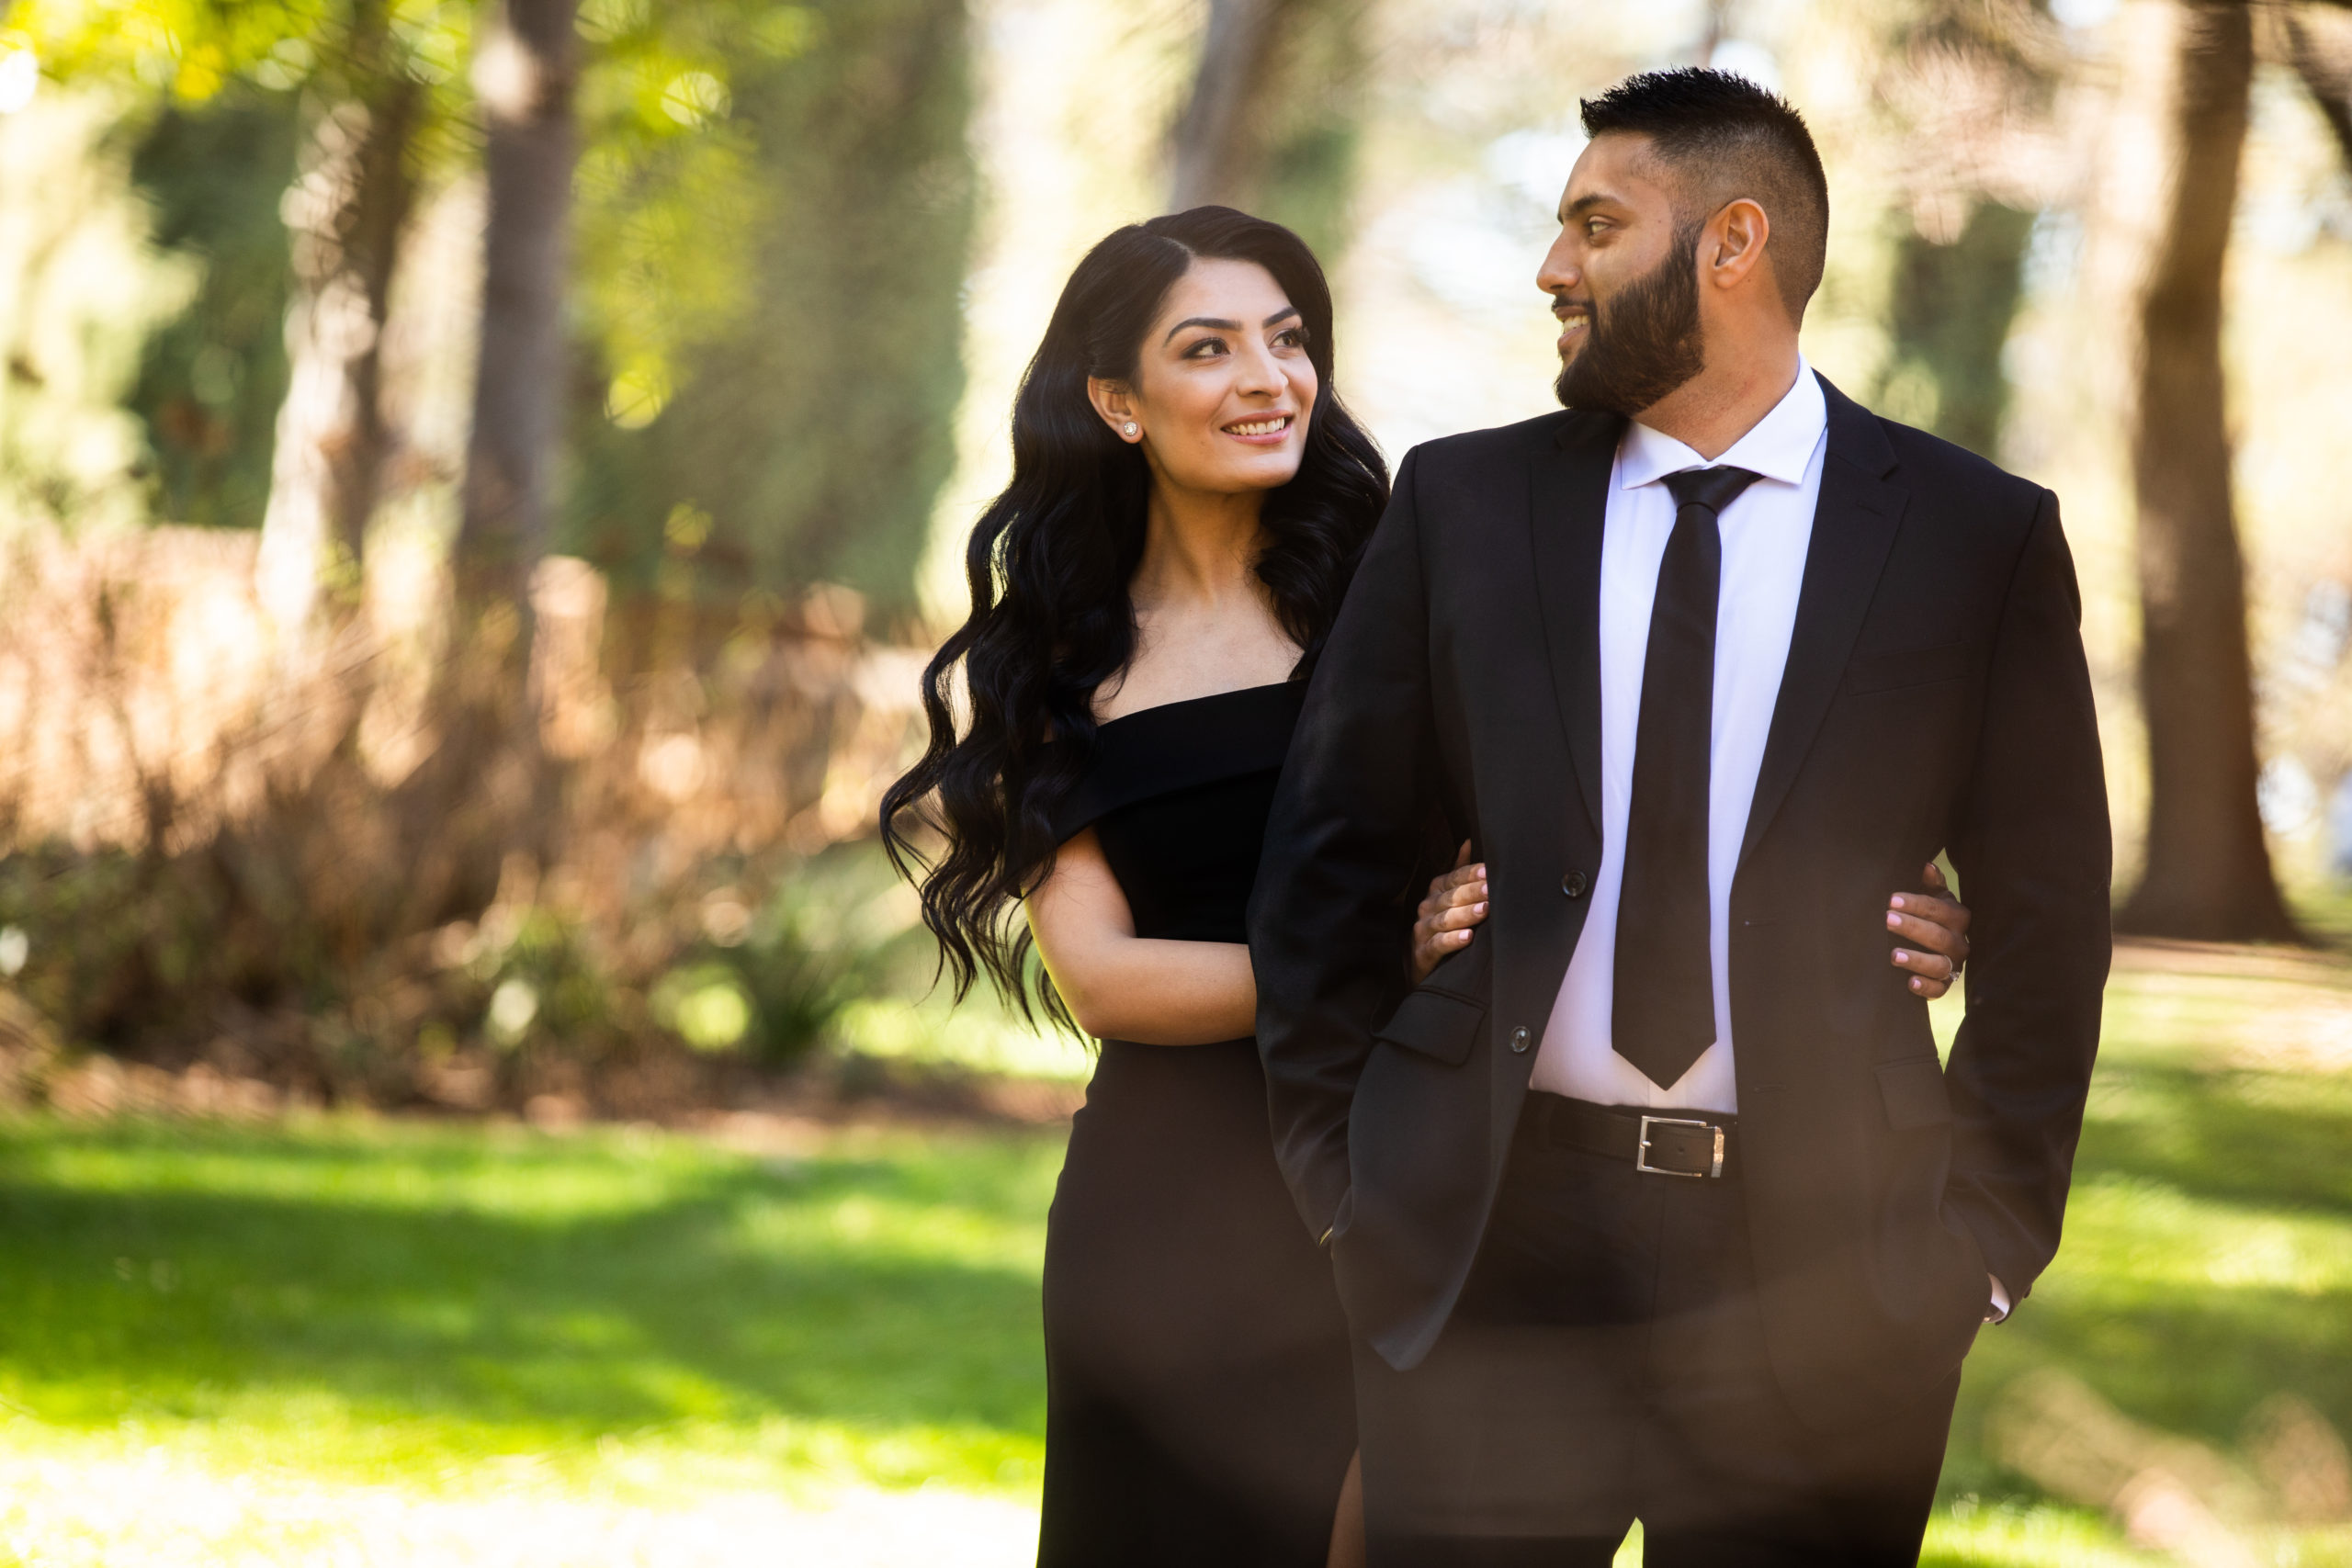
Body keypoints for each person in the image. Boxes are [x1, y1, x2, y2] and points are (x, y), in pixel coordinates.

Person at [884, 205, 1975, 1568]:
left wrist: (1869, 905)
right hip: (1167, 1207)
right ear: (1116, 399)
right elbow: (1108, 979)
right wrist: (1382, 961)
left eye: (1289, 340)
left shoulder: (1412, 574)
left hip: (1420, 1169)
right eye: (1208, 348)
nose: (1267, 377)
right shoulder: (1057, 657)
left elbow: (1618, 812)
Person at [1250, 68, 2110, 1567]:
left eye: (1596, 224)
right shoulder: (1464, 507)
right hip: (1494, 1247)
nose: (1551, 268)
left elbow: (2051, 919)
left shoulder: (1978, 538)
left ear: (1733, 244)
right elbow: (1330, 860)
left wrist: (1979, 1249)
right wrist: (1348, 1183)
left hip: (1834, 1270)